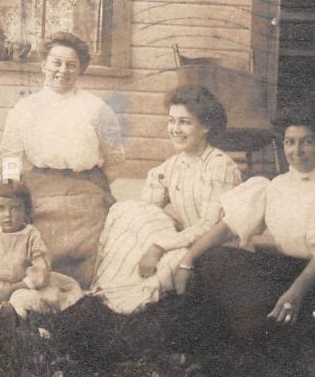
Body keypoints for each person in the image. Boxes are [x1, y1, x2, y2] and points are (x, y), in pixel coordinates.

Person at [173, 115, 315, 347]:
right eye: (290, 142)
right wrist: (187, 260)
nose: (296, 150)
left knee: (257, 323)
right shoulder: (276, 186)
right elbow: (229, 226)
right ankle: (201, 343)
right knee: (213, 258)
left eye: (306, 142)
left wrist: (294, 294)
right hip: (284, 269)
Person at [90, 85, 241, 313]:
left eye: (185, 122)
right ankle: (110, 290)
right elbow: (146, 214)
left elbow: (211, 226)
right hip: (185, 243)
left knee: (166, 263)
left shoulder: (221, 166)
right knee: (126, 210)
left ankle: (124, 302)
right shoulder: (173, 166)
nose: (175, 129)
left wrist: (160, 245)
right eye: (172, 121)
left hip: (214, 249)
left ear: (206, 126)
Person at [0, 31, 125, 287]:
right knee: (39, 247)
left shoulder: (98, 108)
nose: (63, 70)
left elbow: (114, 158)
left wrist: (93, 185)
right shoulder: (26, 107)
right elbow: (9, 154)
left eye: (71, 65)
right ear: (44, 64)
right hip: (39, 188)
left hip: (87, 192)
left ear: (81, 70)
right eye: (56, 62)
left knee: (94, 250)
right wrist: (13, 190)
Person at [0, 180, 83, 320]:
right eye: (1, 208)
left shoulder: (31, 235)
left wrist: (12, 288)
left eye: (15, 208)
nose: (7, 214)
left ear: (25, 210)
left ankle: (12, 319)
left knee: (25, 299)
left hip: (21, 285)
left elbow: (40, 270)